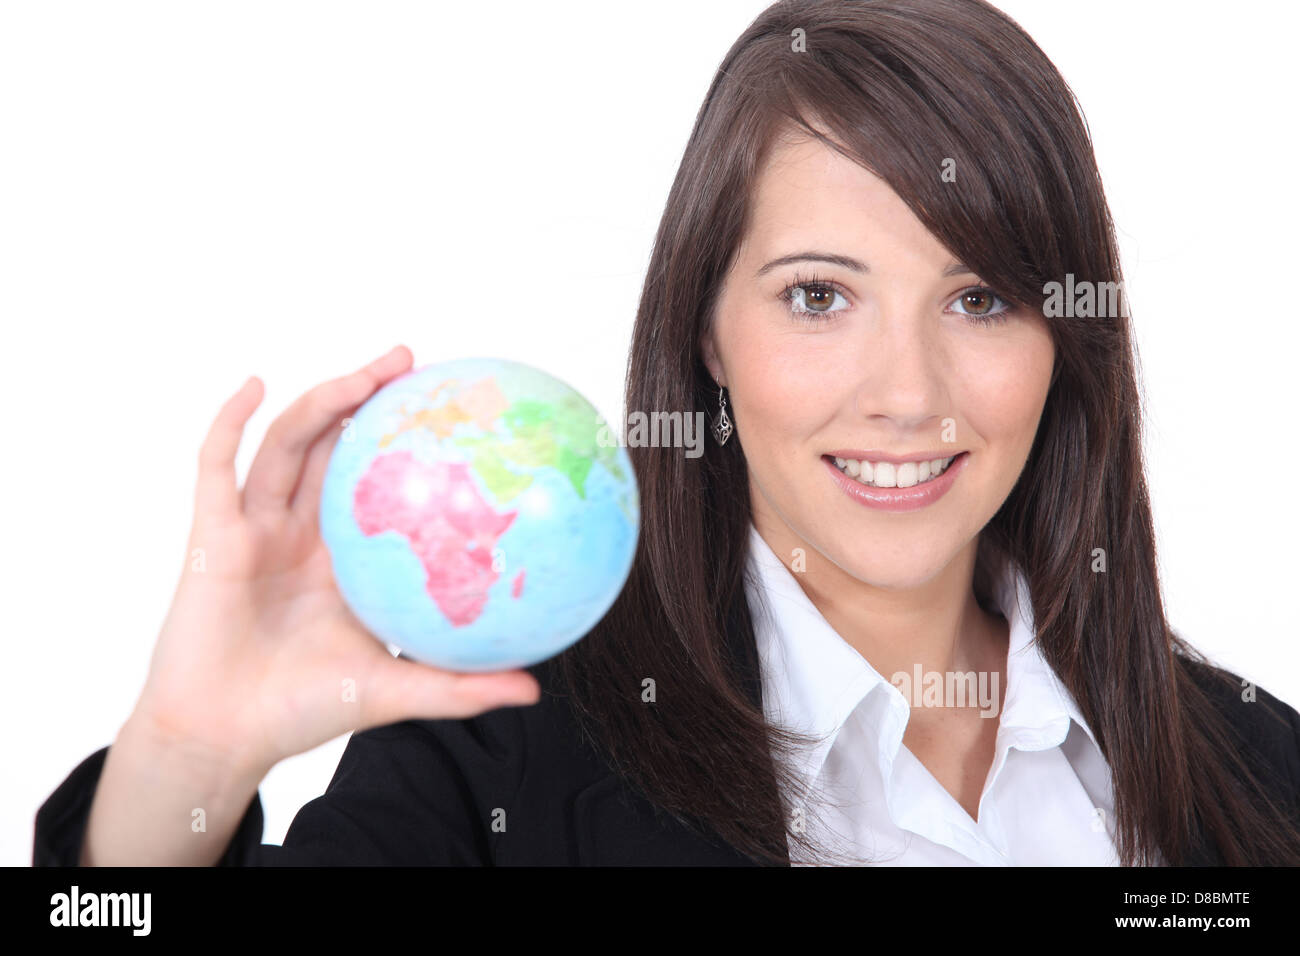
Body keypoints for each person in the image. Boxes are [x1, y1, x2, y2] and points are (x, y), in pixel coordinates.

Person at [35, 0, 1300, 867]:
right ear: (706, 333)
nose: (907, 392)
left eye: (978, 299)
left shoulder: (1255, 763)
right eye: (819, 295)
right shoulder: (503, 750)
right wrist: (179, 761)